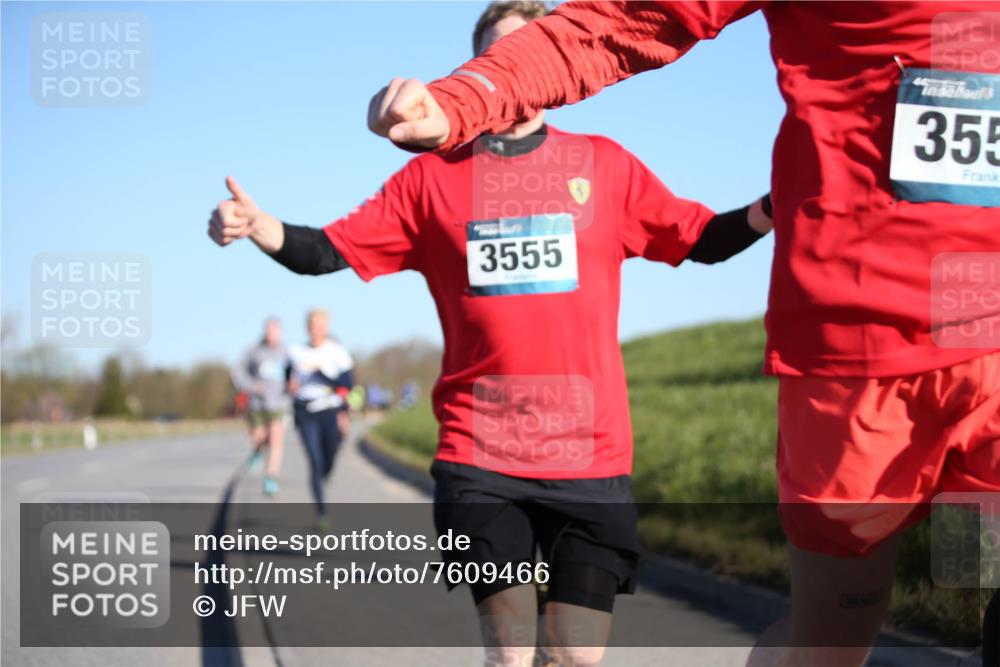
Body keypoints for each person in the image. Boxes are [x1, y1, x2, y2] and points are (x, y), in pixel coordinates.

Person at [365, 2, 1000, 666]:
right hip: (863, 343)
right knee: (830, 645)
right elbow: (623, 19)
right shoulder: (442, 185)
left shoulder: (605, 165)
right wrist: (470, 95)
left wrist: (759, 213)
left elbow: (695, 237)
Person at [208, 4, 772, 662]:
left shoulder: (604, 166)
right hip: (482, 456)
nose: (518, 74)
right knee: (509, 654)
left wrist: (779, 200)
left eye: (532, 54)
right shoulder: (429, 180)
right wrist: (259, 225)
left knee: (573, 658)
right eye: (498, 60)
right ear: (478, 72)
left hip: (590, 457)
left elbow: (701, 239)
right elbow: (327, 249)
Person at [286, 308, 354, 524]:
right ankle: (322, 513)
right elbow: (286, 378)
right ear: (307, 327)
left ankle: (323, 476)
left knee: (329, 457)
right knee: (314, 460)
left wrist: (320, 373)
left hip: (329, 409)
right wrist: (290, 385)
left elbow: (347, 384)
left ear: (326, 327)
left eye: (319, 325)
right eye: (311, 325)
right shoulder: (295, 351)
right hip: (305, 411)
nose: (315, 329)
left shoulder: (336, 352)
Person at [231, 317, 289, 497]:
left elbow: (296, 373)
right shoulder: (254, 351)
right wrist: (250, 386)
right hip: (257, 404)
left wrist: (293, 385)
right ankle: (257, 451)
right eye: (268, 331)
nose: (271, 335)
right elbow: (238, 371)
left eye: (274, 331)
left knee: (276, 439)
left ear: (280, 332)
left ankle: (271, 478)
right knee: (259, 437)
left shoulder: (287, 352)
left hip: (279, 403)